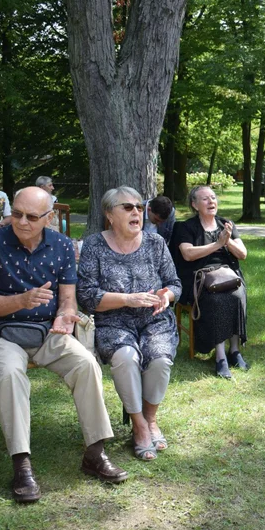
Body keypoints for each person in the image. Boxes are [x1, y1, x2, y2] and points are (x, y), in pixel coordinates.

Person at [0, 186, 127, 503]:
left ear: (49, 217)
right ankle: (22, 465)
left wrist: (65, 317)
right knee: (11, 377)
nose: (22, 222)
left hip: (47, 332)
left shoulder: (60, 245)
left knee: (86, 365)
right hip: (1, 333)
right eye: (16, 214)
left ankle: (95, 453)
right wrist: (22, 300)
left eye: (31, 216)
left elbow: (68, 299)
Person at [77, 187, 180, 462]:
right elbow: (86, 296)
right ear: (109, 215)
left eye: (138, 206)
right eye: (127, 207)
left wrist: (166, 296)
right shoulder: (94, 245)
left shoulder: (155, 243)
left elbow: (175, 283)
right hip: (113, 320)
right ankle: (138, 424)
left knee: (159, 359)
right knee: (125, 357)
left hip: (154, 318)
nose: (136, 212)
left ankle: (150, 418)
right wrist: (127, 299)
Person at [173, 185, 250, 380]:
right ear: (194, 204)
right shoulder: (184, 227)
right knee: (215, 300)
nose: (211, 202)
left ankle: (234, 351)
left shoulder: (227, 224)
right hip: (198, 277)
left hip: (228, 275)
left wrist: (228, 241)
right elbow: (188, 254)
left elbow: (243, 254)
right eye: (205, 199)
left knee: (238, 294)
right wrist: (217, 244)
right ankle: (220, 357)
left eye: (213, 198)